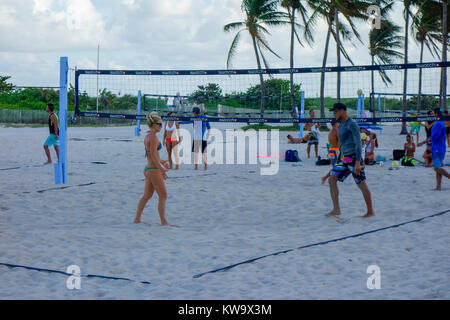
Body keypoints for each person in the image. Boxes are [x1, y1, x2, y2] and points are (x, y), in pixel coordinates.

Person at [326, 102, 375, 218]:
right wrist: (338, 160)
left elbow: (358, 144)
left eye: (335, 111)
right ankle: (336, 209)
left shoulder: (352, 124)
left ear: (342, 111)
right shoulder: (341, 125)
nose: (334, 114)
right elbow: (341, 145)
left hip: (354, 158)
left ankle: (370, 211)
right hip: (344, 158)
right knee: (331, 180)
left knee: (361, 184)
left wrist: (358, 162)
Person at [134, 112, 171, 225]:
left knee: (147, 195)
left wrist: (161, 161)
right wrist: (162, 170)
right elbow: (154, 155)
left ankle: (137, 219)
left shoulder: (147, 136)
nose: (161, 126)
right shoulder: (153, 137)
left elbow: (152, 156)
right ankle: (164, 221)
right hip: (154, 170)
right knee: (163, 195)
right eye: (159, 124)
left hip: (148, 168)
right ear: (153, 124)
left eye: (161, 124)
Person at [418, 108, 450, 190]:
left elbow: (434, 137)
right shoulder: (440, 122)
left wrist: (422, 143)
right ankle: (438, 186)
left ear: (436, 114)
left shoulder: (438, 123)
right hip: (440, 147)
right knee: (437, 167)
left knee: (437, 168)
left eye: (433, 113)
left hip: (437, 148)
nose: (432, 115)